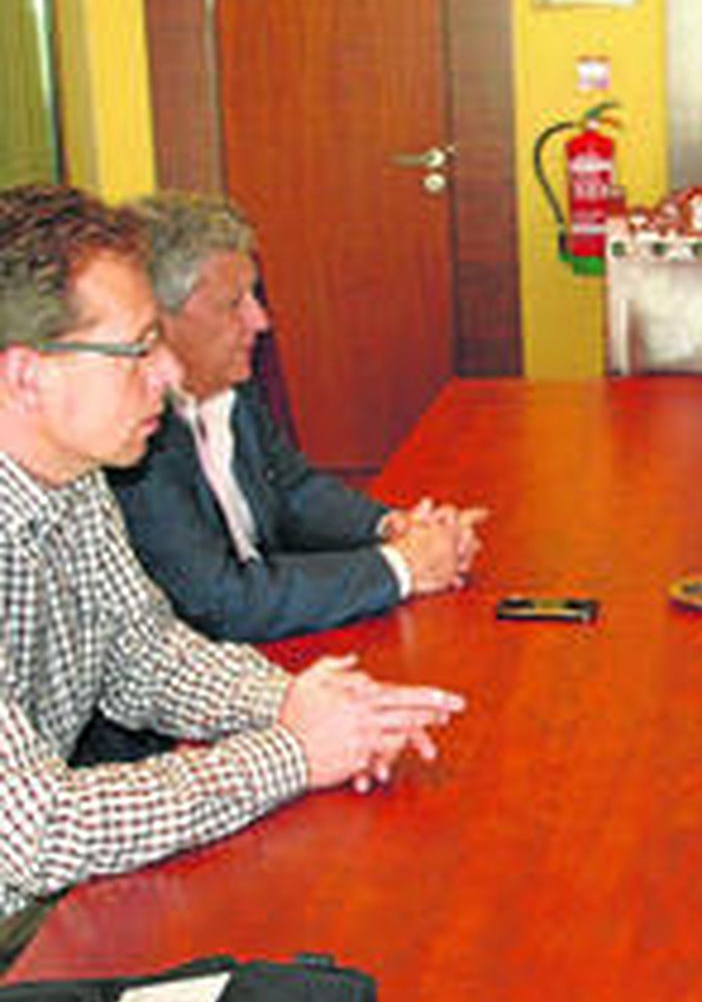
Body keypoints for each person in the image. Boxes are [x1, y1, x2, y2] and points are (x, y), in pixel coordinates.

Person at [0, 183, 464, 953]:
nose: (166, 374)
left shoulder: (70, 477)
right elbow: (39, 828)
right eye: (135, 350)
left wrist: (312, 705)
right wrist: (292, 753)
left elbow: (145, 659)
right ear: (26, 377)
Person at [107, 191, 486, 644]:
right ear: (158, 319)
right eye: (234, 304)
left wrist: (393, 528)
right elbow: (219, 601)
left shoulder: (229, 385)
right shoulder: (129, 436)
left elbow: (293, 489)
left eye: (256, 296)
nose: (260, 321)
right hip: (210, 675)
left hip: (279, 641)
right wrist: (403, 566)